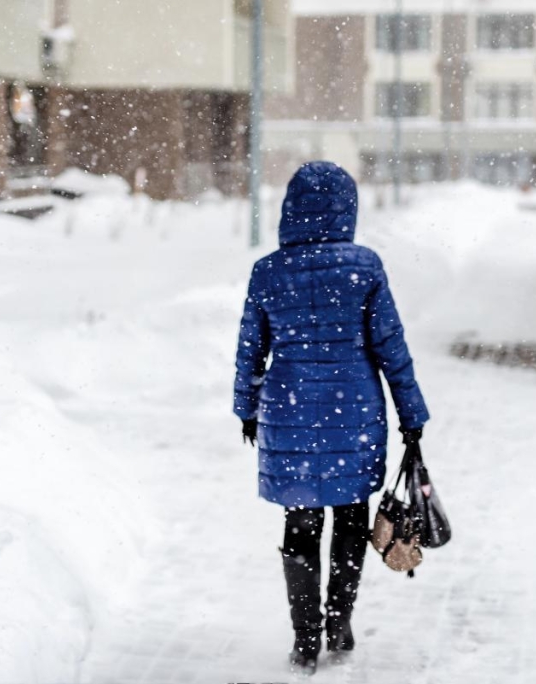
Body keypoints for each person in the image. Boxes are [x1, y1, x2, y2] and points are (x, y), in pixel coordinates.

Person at [233, 161, 429, 674]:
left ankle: (305, 638)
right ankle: (339, 619)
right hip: (354, 411)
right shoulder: (364, 267)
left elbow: (250, 350)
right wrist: (412, 413)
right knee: (349, 517)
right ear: (348, 209)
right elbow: (392, 347)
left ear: (289, 209)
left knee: (300, 522)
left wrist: (246, 407)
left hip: (289, 409)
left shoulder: (269, 271)